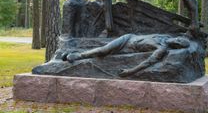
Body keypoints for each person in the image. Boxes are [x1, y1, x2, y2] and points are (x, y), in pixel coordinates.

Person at [62, 33, 190, 78]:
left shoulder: (162, 49)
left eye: (178, 44)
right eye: (178, 39)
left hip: (127, 48)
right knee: (103, 48)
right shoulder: (165, 36)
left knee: (103, 52)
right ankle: (74, 53)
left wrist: (130, 71)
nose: (176, 41)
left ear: (176, 47)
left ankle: (76, 56)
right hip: (128, 37)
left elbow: (148, 62)